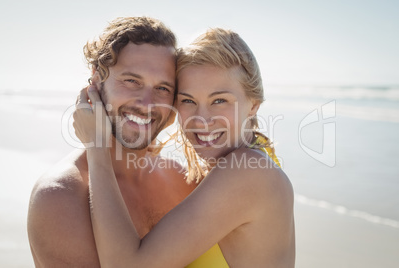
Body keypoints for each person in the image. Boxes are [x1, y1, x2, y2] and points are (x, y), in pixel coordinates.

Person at [73, 28, 295, 267]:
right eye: (188, 100)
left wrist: (97, 147)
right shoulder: (253, 157)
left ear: (253, 105)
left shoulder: (247, 173)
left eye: (219, 100)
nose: (201, 119)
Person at [27, 17, 196, 267]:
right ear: (96, 80)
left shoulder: (183, 179)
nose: (147, 103)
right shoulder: (60, 197)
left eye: (162, 88)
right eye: (131, 81)